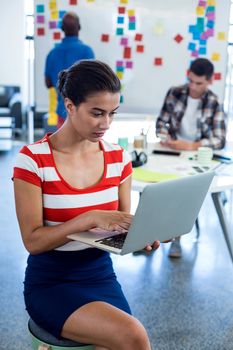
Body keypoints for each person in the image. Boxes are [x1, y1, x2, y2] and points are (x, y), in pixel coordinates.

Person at [13, 60, 160, 349]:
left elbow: (117, 226)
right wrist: (87, 219)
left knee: (119, 340)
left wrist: (146, 235)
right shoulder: (33, 160)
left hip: (99, 273)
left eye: (112, 114)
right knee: (133, 335)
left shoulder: (119, 159)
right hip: (51, 281)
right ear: (69, 105)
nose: (105, 123)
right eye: (96, 113)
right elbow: (32, 241)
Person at [156, 58, 226, 258]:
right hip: (172, 151)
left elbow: (219, 140)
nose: (193, 87)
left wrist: (191, 146)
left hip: (197, 156)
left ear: (210, 81)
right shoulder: (175, 92)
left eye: (199, 83)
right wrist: (164, 136)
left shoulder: (214, 102)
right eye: (191, 81)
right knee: (152, 188)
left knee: (181, 190)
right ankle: (149, 236)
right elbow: (161, 122)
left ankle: (175, 238)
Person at [45, 12, 95, 128]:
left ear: (62, 28)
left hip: (62, 111)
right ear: (79, 27)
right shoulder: (87, 51)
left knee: (63, 145)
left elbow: (48, 84)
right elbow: (93, 83)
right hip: (83, 112)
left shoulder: (52, 53)